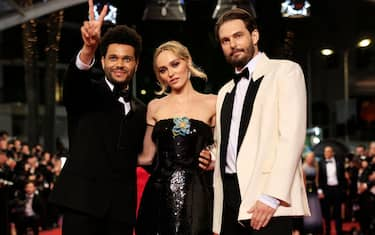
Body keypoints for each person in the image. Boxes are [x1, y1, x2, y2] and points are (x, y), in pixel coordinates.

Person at [49, 1, 146, 234]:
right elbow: (73, 82)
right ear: (102, 62)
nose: (120, 64)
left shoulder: (142, 110)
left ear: (136, 64)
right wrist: (88, 49)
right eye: (113, 58)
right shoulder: (86, 93)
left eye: (126, 59)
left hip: (121, 214)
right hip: (82, 207)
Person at [212, 8, 310, 235]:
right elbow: (229, 146)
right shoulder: (224, 91)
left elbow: (291, 137)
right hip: (229, 199)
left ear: (254, 36)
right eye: (225, 40)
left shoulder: (285, 71)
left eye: (238, 36)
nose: (232, 44)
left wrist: (272, 196)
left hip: (266, 198)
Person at [136, 40, 216, 235]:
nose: (170, 73)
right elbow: (147, 157)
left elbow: (221, 147)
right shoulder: (155, 106)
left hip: (197, 192)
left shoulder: (213, 102)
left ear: (187, 61)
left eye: (175, 64)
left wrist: (212, 157)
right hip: (158, 192)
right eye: (162, 70)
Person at [318, 146, 346, 235]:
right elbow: (320, 178)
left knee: (337, 212)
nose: (326, 153)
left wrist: (342, 190)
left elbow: (342, 178)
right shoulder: (321, 163)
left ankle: (339, 230)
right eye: (325, 152)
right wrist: (320, 190)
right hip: (326, 190)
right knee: (326, 212)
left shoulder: (339, 163)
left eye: (328, 151)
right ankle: (327, 230)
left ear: (332, 153)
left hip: (337, 189)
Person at [302, 152, 323, 234]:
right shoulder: (303, 167)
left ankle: (315, 228)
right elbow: (303, 182)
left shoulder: (315, 167)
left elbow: (317, 181)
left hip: (314, 189)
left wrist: (319, 191)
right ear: (306, 158)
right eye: (309, 157)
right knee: (308, 207)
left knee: (315, 208)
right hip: (306, 189)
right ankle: (308, 229)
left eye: (312, 157)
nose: (310, 159)